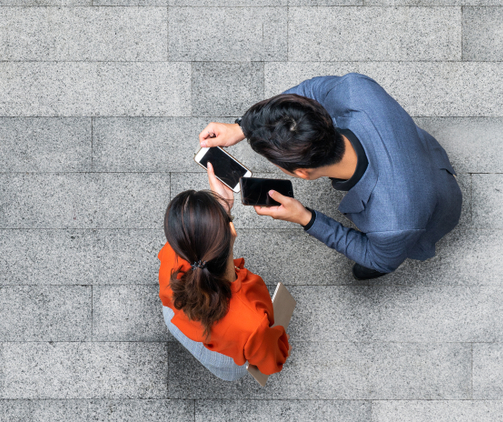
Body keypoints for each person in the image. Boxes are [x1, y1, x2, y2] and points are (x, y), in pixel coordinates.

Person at [198, 73, 462, 280]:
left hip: (435, 206)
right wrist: (242, 127)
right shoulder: (356, 91)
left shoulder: (392, 224)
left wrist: (306, 218)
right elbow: (311, 92)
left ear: (301, 173)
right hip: (423, 150)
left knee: (381, 256)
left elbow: (379, 258)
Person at [158, 164, 290, 381]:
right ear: (232, 231)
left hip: (176, 322)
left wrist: (222, 210)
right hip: (225, 356)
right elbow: (270, 363)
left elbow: (197, 236)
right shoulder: (252, 323)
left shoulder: (174, 251)